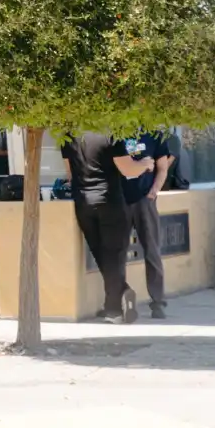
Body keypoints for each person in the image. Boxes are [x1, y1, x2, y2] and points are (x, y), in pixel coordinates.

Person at [62, 131, 158, 324]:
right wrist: (146, 164)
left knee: (102, 255)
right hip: (110, 202)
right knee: (114, 255)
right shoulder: (111, 135)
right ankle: (114, 309)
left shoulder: (68, 135)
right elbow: (128, 170)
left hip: (83, 203)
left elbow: (70, 172)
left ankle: (114, 299)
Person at [119, 131, 174, 319]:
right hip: (120, 201)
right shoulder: (116, 133)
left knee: (152, 251)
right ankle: (118, 302)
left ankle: (158, 302)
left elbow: (163, 167)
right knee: (117, 253)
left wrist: (154, 191)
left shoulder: (155, 135)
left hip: (145, 200)